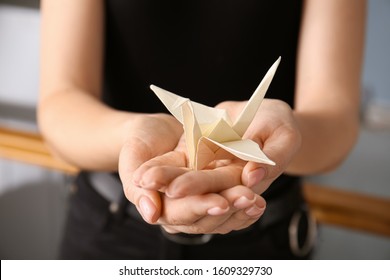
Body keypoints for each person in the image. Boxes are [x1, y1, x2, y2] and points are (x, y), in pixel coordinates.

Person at [38, 0, 366, 259]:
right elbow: (60, 105)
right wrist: (133, 134)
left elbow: (336, 121)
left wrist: (282, 135)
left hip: (266, 240)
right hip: (108, 235)